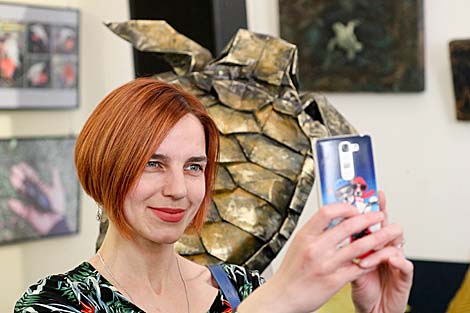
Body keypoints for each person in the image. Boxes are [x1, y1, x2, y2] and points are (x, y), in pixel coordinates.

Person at [14, 78, 413, 313]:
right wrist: (277, 301)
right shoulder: (53, 305)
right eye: (153, 163)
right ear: (105, 167)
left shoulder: (241, 288)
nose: (178, 190)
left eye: (194, 166)